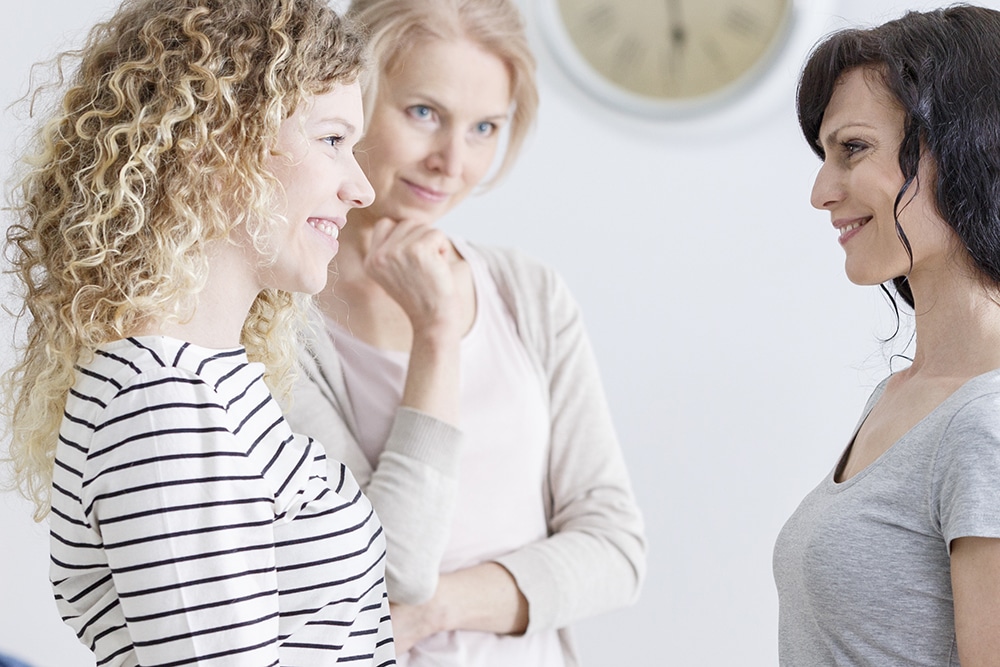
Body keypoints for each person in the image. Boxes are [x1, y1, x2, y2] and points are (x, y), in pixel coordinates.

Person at [1, 0, 396, 664]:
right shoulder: (161, 404)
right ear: (215, 139)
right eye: (332, 140)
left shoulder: (202, 384)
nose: (360, 188)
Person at [284, 0, 646, 664]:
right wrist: (436, 334)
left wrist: (438, 609)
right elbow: (385, 567)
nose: (452, 160)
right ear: (350, 97)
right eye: (424, 113)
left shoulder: (527, 293)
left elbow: (615, 548)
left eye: (485, 127)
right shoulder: (279, 322)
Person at [773, 5, 1000, 665]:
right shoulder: (898, 394)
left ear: (967, 147)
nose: (821, 191)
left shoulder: (984, 423)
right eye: (824, 155)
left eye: (853, 148)